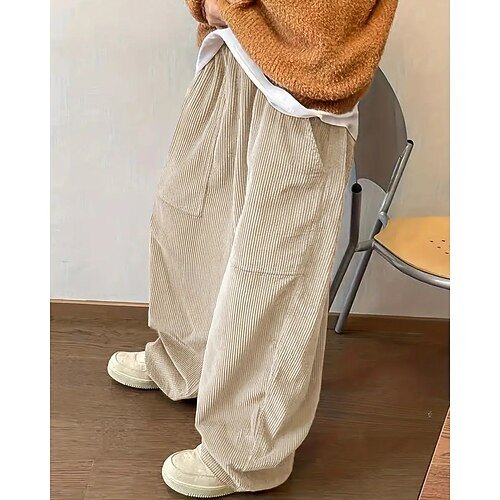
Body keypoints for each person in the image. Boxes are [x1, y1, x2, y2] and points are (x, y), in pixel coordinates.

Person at [107, 0, 398, 497]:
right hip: (234, 56)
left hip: (302, 87)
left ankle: (246, 451)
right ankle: (186, 363)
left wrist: (232, 6)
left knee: (271, 273)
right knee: (189, 217)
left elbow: (328, 20)